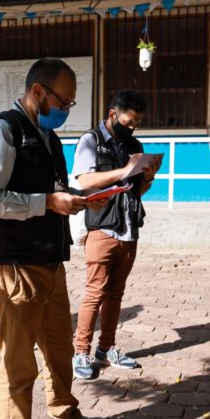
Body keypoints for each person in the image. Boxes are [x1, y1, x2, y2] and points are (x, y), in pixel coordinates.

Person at [0, 57, 108, 419]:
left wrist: (77, 199)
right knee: (18, 363)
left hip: (48, 261)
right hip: (13, 266)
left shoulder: (46, 137)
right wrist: (47, 203)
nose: (66, 109)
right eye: (63, 101)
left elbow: (51, 190)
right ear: (38, 93)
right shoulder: (3, 131)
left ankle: (64, 416)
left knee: (59, 349)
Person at [71, 89, 158, 380]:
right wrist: (123, 171)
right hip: (102, 228)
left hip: (129, 228)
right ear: (113, 115)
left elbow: (137, 191)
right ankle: (80, 351)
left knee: (116, 294)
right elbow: (84, 181)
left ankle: (106, 348)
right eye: (129, 121)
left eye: (137, 123)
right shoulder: (91, 141)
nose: (132, 127)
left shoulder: (133, 144)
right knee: (95, 292)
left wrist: (145, 177)